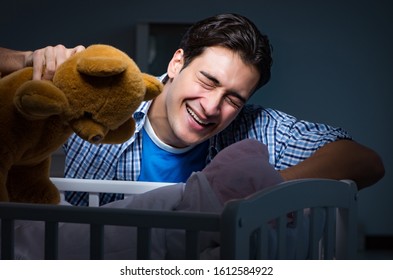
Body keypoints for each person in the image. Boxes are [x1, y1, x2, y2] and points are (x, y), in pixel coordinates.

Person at [0, 13, 385, 206]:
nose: (213, 107)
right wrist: (28, 61)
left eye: (234, 98)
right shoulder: (105, 97)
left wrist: (263, 191)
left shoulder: (256, 130)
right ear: (176, 63)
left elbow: (364, 161)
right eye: (209, 81)